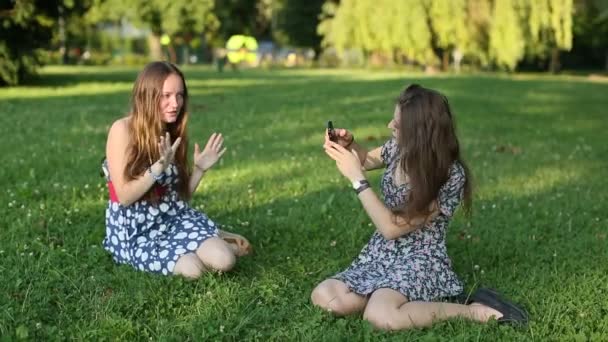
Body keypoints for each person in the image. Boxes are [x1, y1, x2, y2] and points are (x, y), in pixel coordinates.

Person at [311, 84, 527, 330]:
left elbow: (391, 228)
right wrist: (350, 147)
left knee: (380, 318)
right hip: (382, 253)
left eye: (398, 125)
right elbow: (367, 159)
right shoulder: (400, 149)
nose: (389, 127)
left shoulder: (447, 175)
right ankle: (388, 295)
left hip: (420, 259)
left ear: (421, 133)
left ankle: (472, 311)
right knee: (325, 297)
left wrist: (358, 180)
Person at [102, 61, 251, 279]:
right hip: (137, 231)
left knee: (225, 260)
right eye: (166, 95)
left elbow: (179, 197)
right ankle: (213, 238)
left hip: (174, 219)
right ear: (147, 95)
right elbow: (124, 197)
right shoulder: (122, 129)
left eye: (180, 95)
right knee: (194, 271)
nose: (175, 104)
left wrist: (199, 169)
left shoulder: (169, 130)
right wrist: (157, 168)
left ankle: (212, 241)